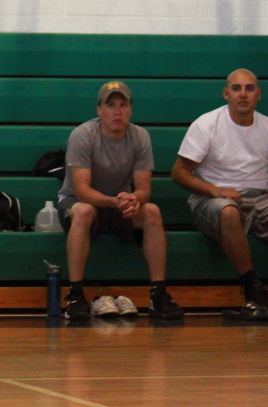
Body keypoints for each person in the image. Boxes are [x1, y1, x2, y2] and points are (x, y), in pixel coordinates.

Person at [172, 68, 268, 320]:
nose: (243, 94)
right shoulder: (207, 124)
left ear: (258, 94)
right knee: (228, 210)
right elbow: (179, 173)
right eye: (236, 88)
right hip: (211, 199)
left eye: (249, 88)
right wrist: (216, 190)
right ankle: (254, 292)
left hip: (260, 198)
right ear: (226, 94)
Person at [57, 81, 184, 321]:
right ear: (99, 110)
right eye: (111, 105)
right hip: (80, 202)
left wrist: (134, 199)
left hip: (120, 203)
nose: (117, 112)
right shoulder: (83, 135)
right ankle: (75, 295)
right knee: (84, 211)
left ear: (130, 110)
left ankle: (158, 295)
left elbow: (144, 189)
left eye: (123, 105)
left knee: (152, 212)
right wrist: (116, 202)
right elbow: (81, 191)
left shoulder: (140, 136)